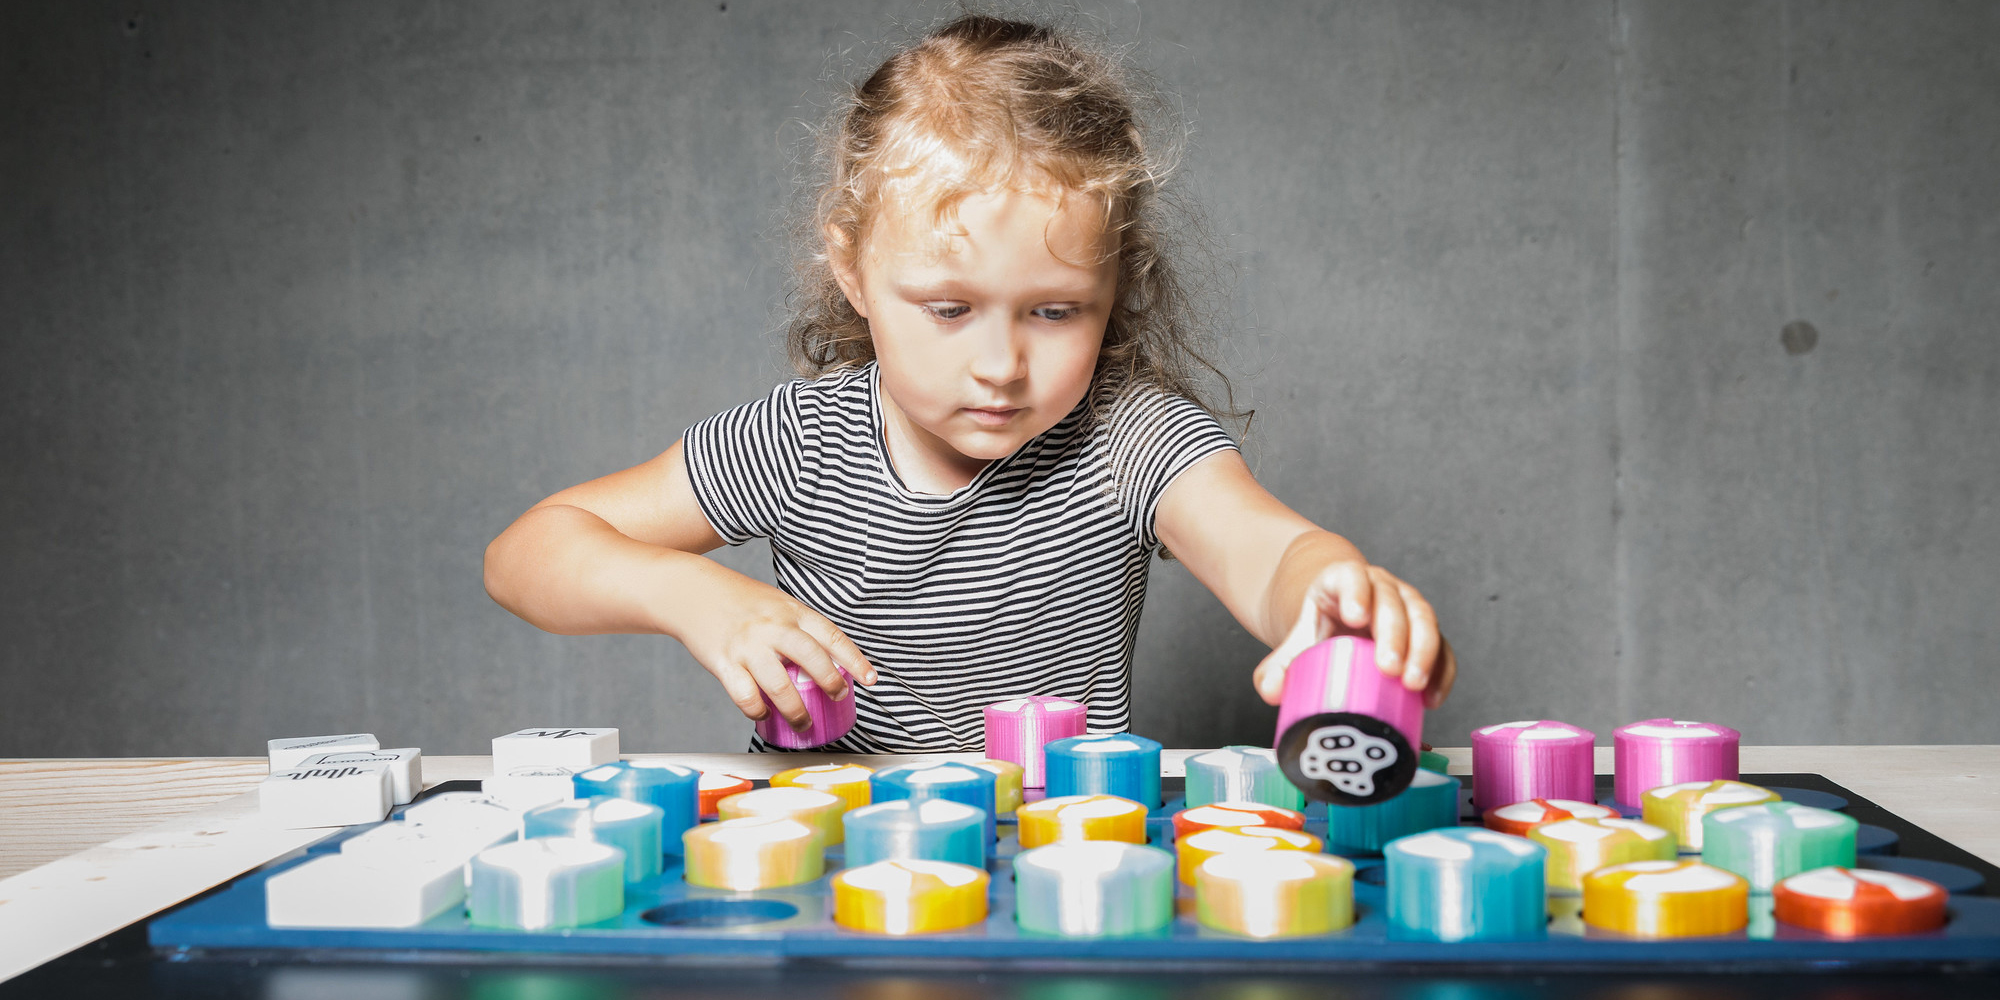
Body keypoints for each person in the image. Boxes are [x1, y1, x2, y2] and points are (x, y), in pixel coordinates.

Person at [484, 15, 1456, 753]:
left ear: (1113, 287)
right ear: (853, 270)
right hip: (841, 881)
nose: (999, 365)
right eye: (948, 309)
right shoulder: (800, 442)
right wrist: (689, 592)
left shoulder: (1129, 438)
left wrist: (1330, 590)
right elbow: (525, 555)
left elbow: (1264, 551)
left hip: (1062, 864)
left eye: (1053, 311)